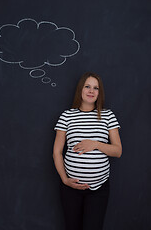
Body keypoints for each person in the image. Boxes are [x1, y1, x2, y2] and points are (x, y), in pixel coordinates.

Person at [53, 72, 122, 230]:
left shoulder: (108, 116)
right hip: (70, 188)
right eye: (87, 86)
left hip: (99, 188)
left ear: (99, 92)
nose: (91, 91)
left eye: (96, 88)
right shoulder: (67, 116)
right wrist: (64, 179)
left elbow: (118, 151)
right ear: (80, 89)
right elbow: (57, 152)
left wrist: (95, 144)